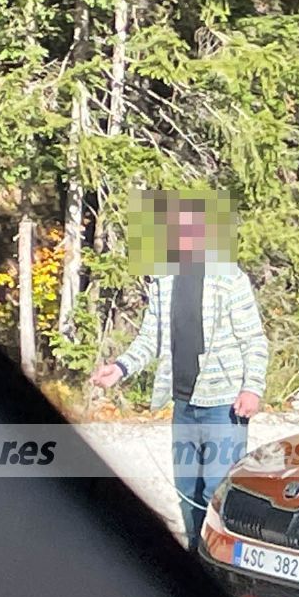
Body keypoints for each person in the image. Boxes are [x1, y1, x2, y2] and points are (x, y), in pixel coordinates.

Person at [91, 198, 269, 551]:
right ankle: (195, 554)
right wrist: (121, 368)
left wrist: (252, 388)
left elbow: (254, 340)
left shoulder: (229, 278)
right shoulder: (163, 280)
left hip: (224, 406)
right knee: (187, 490)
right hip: (183, 402)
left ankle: (221, 562)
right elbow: (151, 338)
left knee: (217, 489)